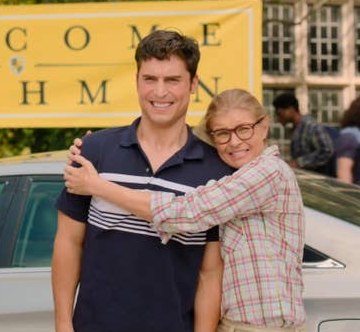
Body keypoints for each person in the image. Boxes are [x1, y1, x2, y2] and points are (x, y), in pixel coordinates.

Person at [65, 88, 306, 332]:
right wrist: (101, 149)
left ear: (264, 126)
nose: (234, 141)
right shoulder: (232, 177)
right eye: (222, 133)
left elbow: (189, 211)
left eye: (244, 129)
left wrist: (97, 185)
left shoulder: (269, 173)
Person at [52, 30, 234, 332]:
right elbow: (69, 242)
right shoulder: (95, 152)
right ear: (137, 81)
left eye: (172, 80)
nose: (159, 92)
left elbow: (210, 273)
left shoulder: (215, 171)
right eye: (150, 79)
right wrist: (62, 323)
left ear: (192, 85)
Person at [272, 92, 335, 175]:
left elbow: (327, 150)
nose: (278, 118)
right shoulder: (296, 128)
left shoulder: (311, 126)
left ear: (291, 109)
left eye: (279, 113)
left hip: (317, 180)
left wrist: (298, 163)